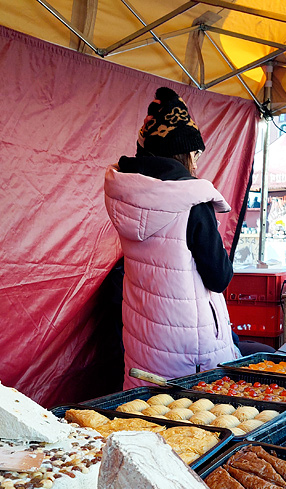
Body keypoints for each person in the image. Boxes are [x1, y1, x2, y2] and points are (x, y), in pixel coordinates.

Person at [104, 86, 240, 387]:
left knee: (149, 421)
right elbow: (219, 277)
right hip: (190, 351)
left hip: (144, 341)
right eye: (195, 152)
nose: (198, 160)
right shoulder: (191, 199)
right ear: (182, 153)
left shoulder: (127, 193)